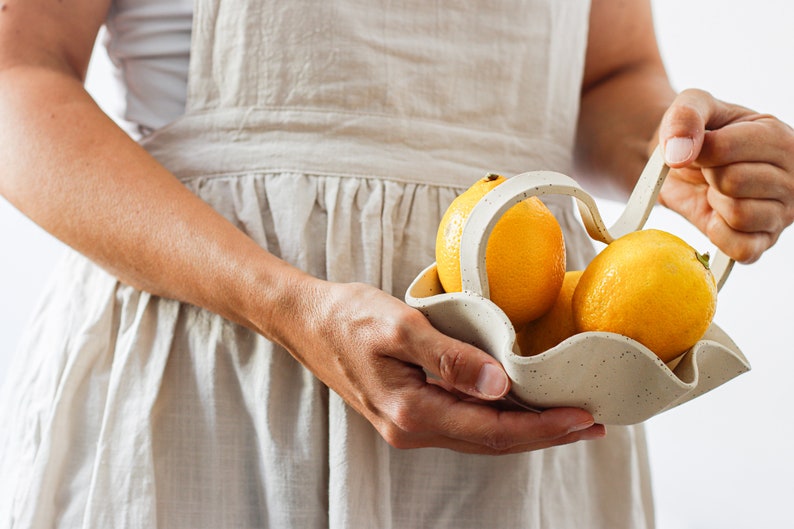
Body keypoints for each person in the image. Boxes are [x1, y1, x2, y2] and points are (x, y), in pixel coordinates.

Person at [0, 0, 792, 527]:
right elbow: (17, 71)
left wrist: (679, 159)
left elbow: (608, 73)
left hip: (524, 393)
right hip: (220, 371)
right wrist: (286, 306)